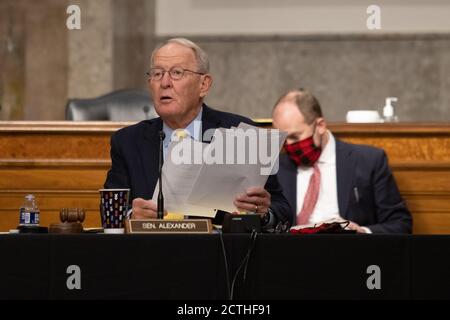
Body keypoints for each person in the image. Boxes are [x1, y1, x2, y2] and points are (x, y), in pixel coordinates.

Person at [104, 38, 291, 228]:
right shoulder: (128, 142)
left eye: (177, 73)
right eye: (157, 73)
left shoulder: (241, 133)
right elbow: (111, 211)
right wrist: (131, 215)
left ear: (204, 85)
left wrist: (264, 214)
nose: (165, 82)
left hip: (221, 254)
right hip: (152, 252)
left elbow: (282, 210)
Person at [272, 89, 412, 233]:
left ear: (320, 126)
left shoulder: (369, 161)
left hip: (350, 251)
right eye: (282, 138)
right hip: (293, 252)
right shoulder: (277, 168)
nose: (288, 145)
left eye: (295, 137)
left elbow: (401, 224)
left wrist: (362, 232)